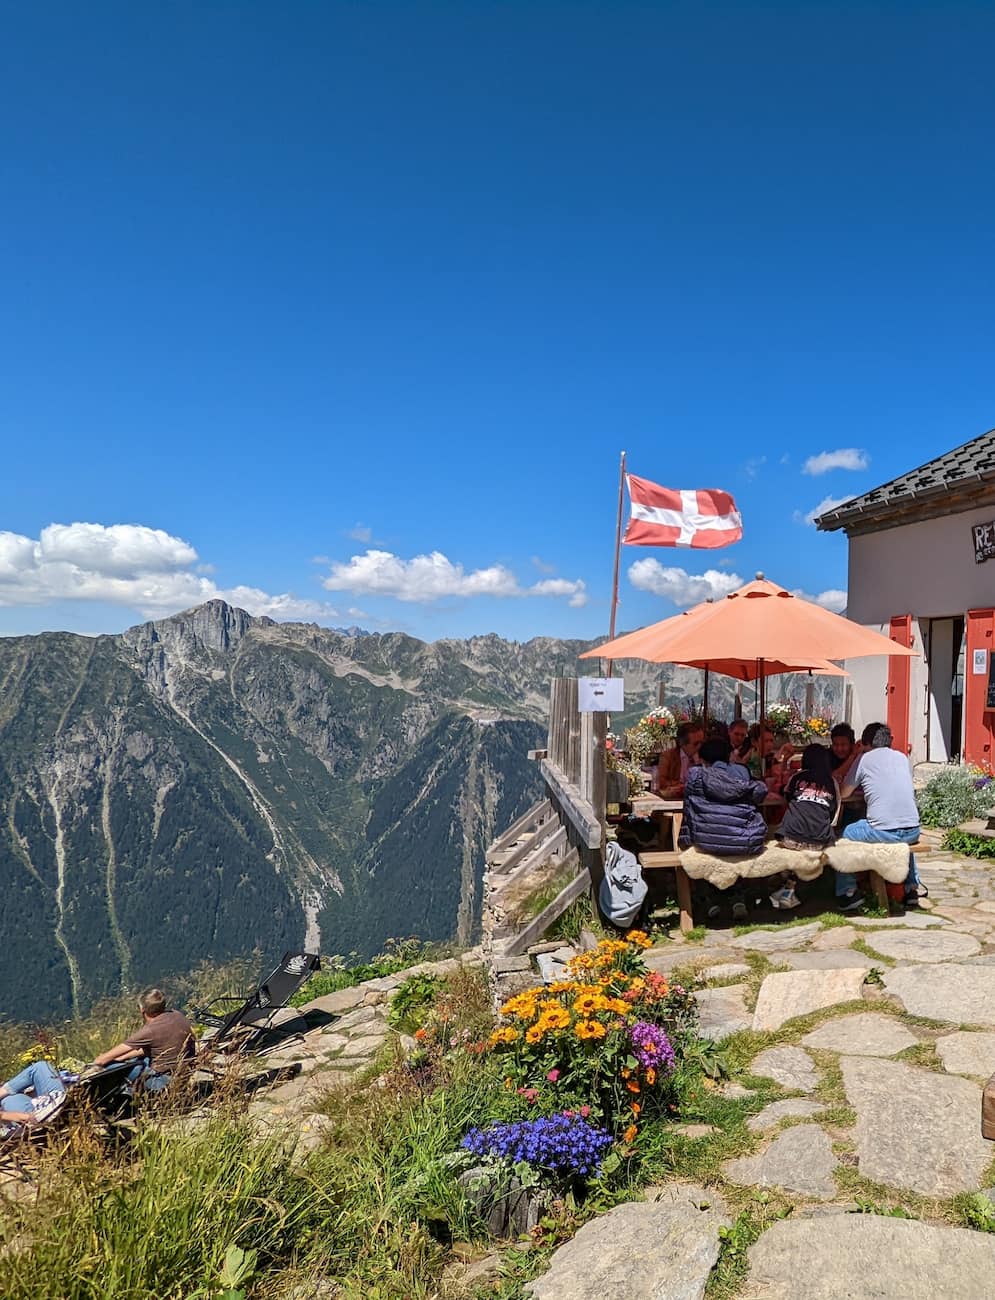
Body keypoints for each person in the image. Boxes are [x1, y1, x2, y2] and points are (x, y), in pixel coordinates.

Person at [834, 722, 922, 913]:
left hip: (883, 830)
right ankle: (911, 889)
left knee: (844, 834)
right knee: (904, 841)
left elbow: (845, 792)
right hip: (913, 830)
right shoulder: (902, 758)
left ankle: (847, 892)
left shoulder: (864, 759)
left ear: (866, 744)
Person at [680, 736, 769, 921]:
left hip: (705, 841)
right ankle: (738, 899)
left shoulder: (696, 775)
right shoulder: (742, 772)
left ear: (703, 759)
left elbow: (688, 811)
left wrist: (685, 840)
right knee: (732, 844)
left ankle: (709, 900)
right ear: (729, 756)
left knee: (704, 849)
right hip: (744, 841)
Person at [773, 744, 841, 908]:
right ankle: (791, 888)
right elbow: (834, 816)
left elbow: (787, 797)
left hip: (789, 839)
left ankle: (787, 885)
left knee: (780, 834)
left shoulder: (797, 777)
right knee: (818, 839)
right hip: (819, 842)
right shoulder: (832, 782)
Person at [92, 987, 195, 1093]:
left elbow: (101, 1060)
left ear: (142, 1010)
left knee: (112, 1067)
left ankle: (118, 1094)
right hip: (185, 1073)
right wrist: (122, 1057)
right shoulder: (177, 1015)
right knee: (134, 1060)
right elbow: (156, 1048)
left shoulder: (150, 1030)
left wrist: (98, 1064)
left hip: (162, 1081)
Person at [0, 1060, 68, 1126]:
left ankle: (48, 1104)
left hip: (45, 1101)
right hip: (36, 1111)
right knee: (6, 1100)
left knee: (40, 1067)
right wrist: (6, 1115)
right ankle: (43, 1110)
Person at [657, 722, 704, 794]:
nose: (699, 746)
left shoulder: (704, 756)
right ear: (682, 743)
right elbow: (661, 781)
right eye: (696, 744)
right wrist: (681, 785)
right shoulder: (668, 756)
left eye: (702, 742)